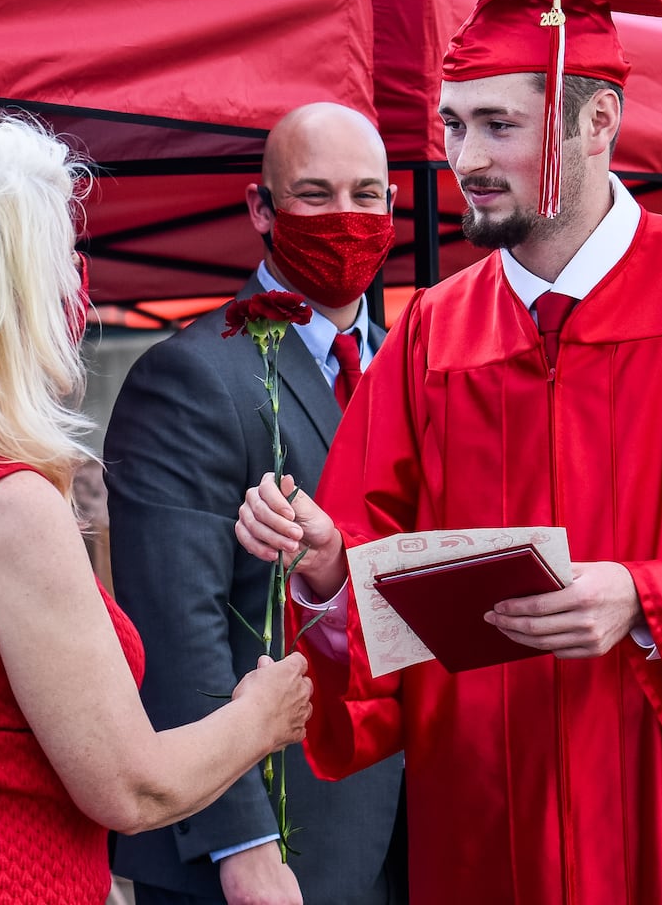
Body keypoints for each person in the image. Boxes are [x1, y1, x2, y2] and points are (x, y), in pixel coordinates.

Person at [236, 0, 662, 904]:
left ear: (598, 123)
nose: (464, 160)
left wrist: (647, 598)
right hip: (488, 827)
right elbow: (374, 589)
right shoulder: (434, 335)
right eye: (454, 126)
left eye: (500, 125)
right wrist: (328, 573)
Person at [0, 115, 313, 905]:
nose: (79, 281)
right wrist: (262, 717)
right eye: (66, 258)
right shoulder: (6, 504)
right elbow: (131, 788)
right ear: (11, 296)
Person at [104, 102, 407, 905]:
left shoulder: (417, 369)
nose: (346, 219)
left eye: (367, 195)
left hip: (410, 826)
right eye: (315, 195)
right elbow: (174, 627)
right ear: (260, 209)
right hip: (268, 853)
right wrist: (243, 848)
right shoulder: (192, 377)